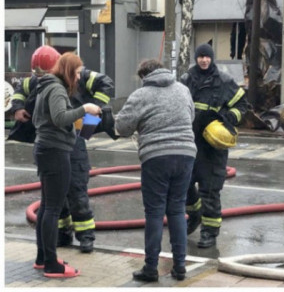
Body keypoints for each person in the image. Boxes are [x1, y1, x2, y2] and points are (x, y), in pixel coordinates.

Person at [10, 46, 115, 253]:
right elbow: (21, 88)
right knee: (56, 194)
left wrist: (92, 110)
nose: (41, 77)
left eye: (45, 73)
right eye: (39, 74)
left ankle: (85, 235)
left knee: (76, 187)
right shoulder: (42, 81)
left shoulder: (79, 75)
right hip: (54, 142)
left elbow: (106, 84)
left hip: (73, 139)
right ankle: (62, 234)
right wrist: (18, 108)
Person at [115, 60, 196, 282]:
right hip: (186, 153)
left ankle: (151, 268)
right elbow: (191, 117)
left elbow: (122, 127)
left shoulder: (141, 94)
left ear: (144, 75)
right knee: (178, 209)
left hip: (157, 157)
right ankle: (180, 267)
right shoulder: (183, 89)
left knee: (154, 212)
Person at [32, 52, 101, 277]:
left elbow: (37, 119)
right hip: (56, 151)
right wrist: (85, 109)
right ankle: (52, 264)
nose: (80, 78)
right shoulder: (57, 89)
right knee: (52, 207)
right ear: (69, 71)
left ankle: (43, 257)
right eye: (78, 73)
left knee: (46, 205)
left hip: (45, 149)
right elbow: (60, 117)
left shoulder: (46, 86)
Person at [181, 43, 249, 248]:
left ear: (212, 59)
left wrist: (228, 117)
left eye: (207, 57)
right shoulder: (186, 79)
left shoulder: (224, 81)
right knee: (183, 185)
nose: (203, 60)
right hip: (188, 142)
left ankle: (209, 232)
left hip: (212, 146)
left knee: (210, 189)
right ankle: (194, 214)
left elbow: (242, 105)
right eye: (200, 56)